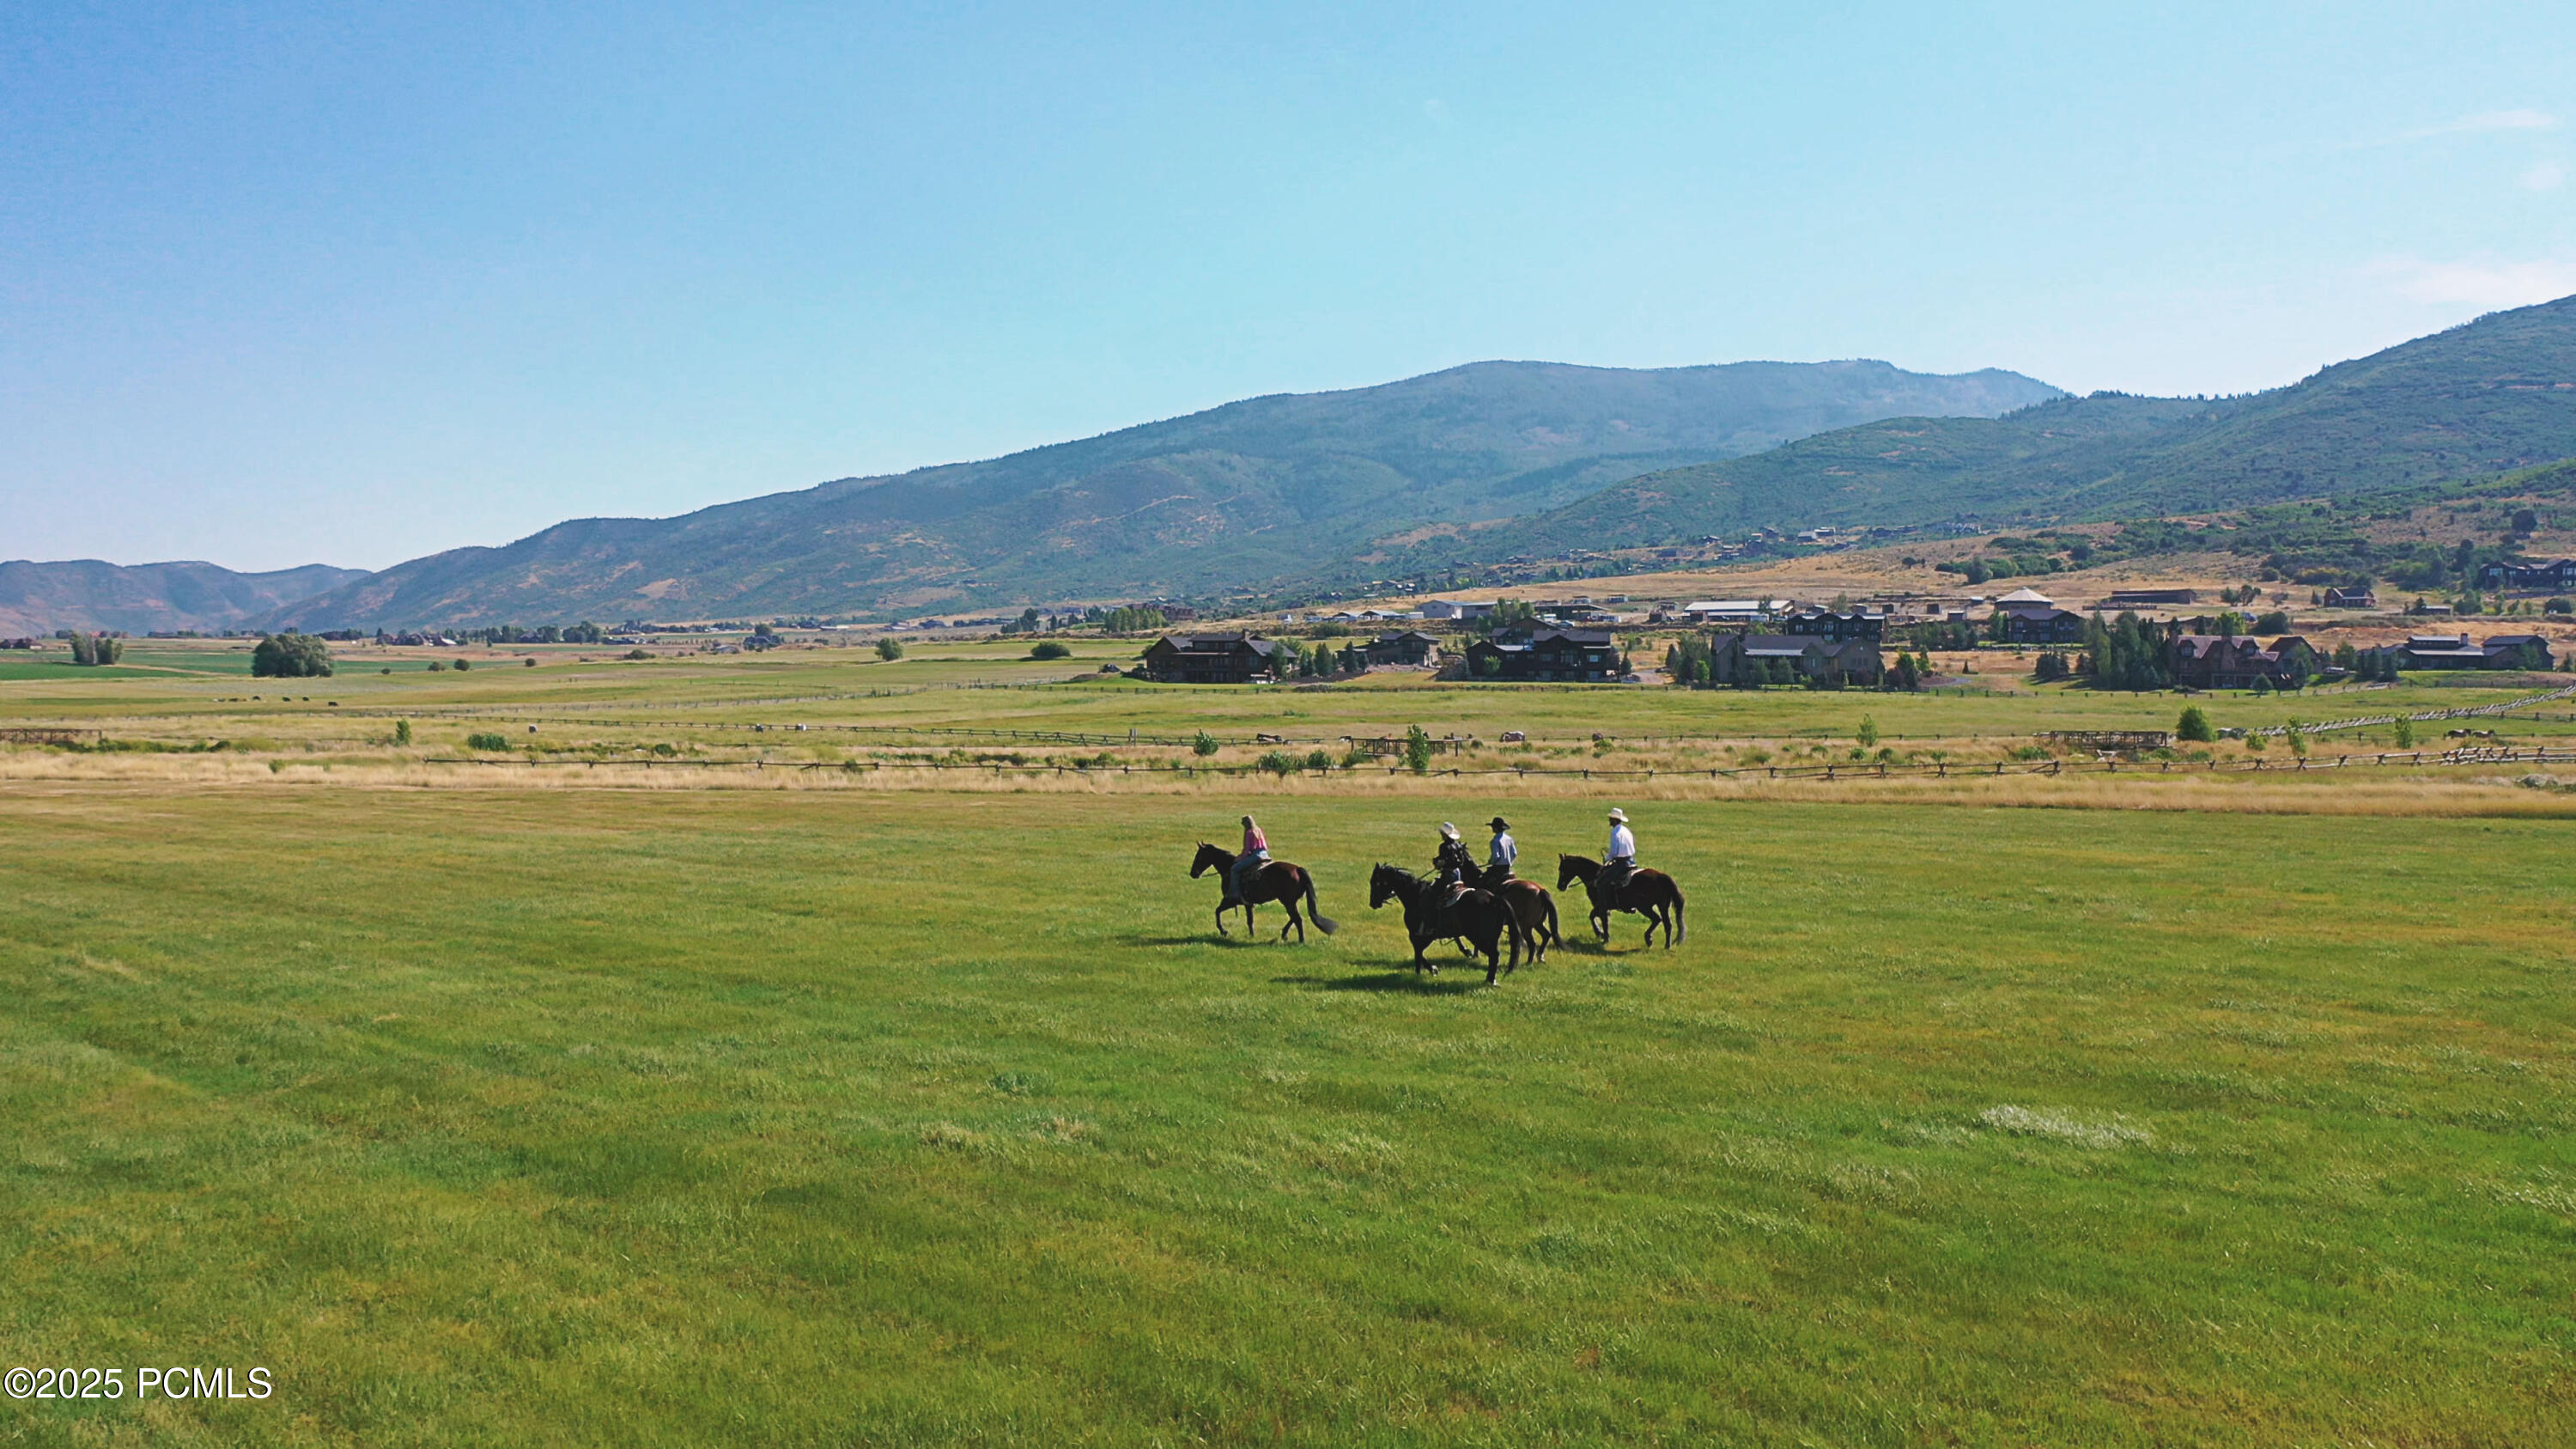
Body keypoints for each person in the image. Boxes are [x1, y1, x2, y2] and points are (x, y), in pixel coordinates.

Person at [1231, 814, 1269, 904]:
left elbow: (1247, 849)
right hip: (1265, 854)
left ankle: (1235, 894)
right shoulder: (1258, 830)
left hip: (1255, 856)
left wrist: (1240, 858)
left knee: (1235, 869)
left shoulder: (1249, 832)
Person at [1601, 807, 1637, 896]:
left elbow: (1614, 852)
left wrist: (1606, 858)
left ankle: (1604, 908)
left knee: (1601, 883)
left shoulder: (1615, 832)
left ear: (1614, 820)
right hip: (1631, 860)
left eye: (1611, 818)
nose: (1609, 820)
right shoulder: (1626, 830)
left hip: (1621, 863)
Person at [1433, 821, 1474, 894]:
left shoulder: (1444, 846)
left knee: (1436, 892)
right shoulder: (1458, 845)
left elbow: (1443, 861)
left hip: (1448, 874)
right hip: (1458, 873)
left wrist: (1438, 863)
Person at [1485, 816, 1518, 881]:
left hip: (1498, 869)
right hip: (1507, 868)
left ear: (1496, 829)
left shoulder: (1495, 841)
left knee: (1483, 881)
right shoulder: (1509, 839)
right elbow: (1514, 853)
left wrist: (1491, 862)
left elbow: (1496, 856)